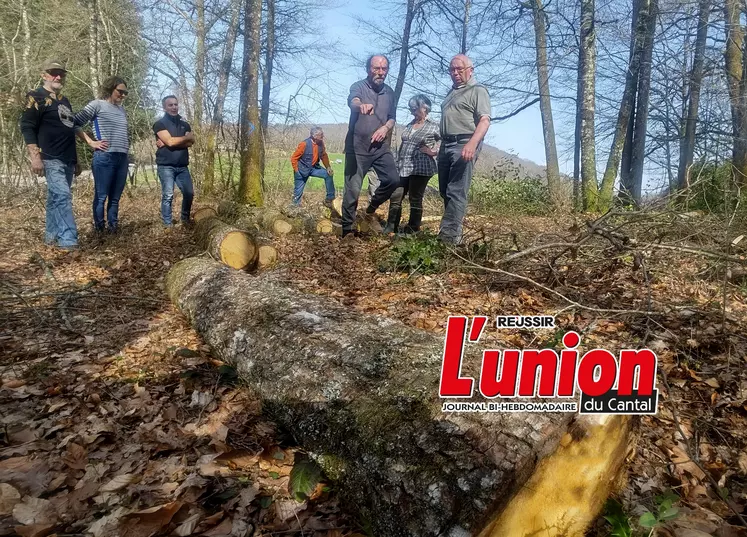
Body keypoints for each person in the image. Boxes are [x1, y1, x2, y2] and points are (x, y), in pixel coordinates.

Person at [20, 59, 81, 250]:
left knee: (55, 198)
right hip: (49, 156)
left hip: (67, 158)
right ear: (43, 75)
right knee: (62, 195)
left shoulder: (65, 101)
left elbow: (69, 129)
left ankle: (51, 237)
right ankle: (68, 240)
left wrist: (76, 159)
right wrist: (35, 156)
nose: (58, 76)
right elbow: (27, 127)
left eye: (61, 73)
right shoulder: (35, 97)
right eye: (53, 72)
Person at [341, 54, 401, 237]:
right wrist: (360, 106)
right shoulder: (359, 86)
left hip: (380, 148)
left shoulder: (389, 92)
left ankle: (372, 206)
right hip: (357, 148)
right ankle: (347, 230)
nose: (380, 72)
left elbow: (392, 117)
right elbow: (353, 100)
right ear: (368, 69)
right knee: (352, 190)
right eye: (376, 68)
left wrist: (385, 128)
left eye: (384, 69)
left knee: (394, 180)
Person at [438, 54, 492, 244]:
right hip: (446, 145)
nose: (455, 73)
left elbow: (485, 121)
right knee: (444, 190)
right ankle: (453, 234)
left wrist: (472, 143)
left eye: (459, 69)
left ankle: (448, 239)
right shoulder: (451, 92)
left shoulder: (478, 90)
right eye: (452, 69)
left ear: (470, 69)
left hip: (464, 143)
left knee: (456, 191)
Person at [74, 76, 130, 234]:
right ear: (110, 88)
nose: (123, 95)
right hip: (105, 157)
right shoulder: (96, 105)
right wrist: (91, 142)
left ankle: (113, 230)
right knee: (101, 196)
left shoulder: (121, 110)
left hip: (122, 158)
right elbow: (74, 122)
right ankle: (99, 230)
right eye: (120, 91)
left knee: (115, 197)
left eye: (125, 92)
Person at [384, 94, 440, 234]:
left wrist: (433, 151)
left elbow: (444, 142)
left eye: (414, 109)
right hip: (403, 166)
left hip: (420, 168)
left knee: (415, 198)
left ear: (424, 108)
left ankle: (412, 229)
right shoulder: (410, 124)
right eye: (411, 109)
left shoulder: (434, 126)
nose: (412, 112)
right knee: (396, 195)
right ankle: (391, 228)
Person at [153, 95, 195, 226]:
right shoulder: (159, 124)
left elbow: (190, 142)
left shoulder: (185, 124)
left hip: (182, 166)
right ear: (164, 107)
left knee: (189, 193)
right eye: (170, 105)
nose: (174, 107)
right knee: (168, 195)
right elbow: (172, 142)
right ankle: (167, 224)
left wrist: (168, 142)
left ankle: (185, 219)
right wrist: (181, 139)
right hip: (166, 166)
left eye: (175, 104)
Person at [290, 126, 336, 208]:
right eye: (321, 135)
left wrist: (328, 167)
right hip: (302, 170)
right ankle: (294, 208)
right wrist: (297, 171)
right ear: (314, 136)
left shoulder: (321, 144)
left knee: (328, 174)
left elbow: (324, 155)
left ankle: (330, 198)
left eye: (322, 134)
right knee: (297, 192)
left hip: (314, 168)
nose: (323, 136)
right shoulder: (304, 144)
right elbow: (294, 158)